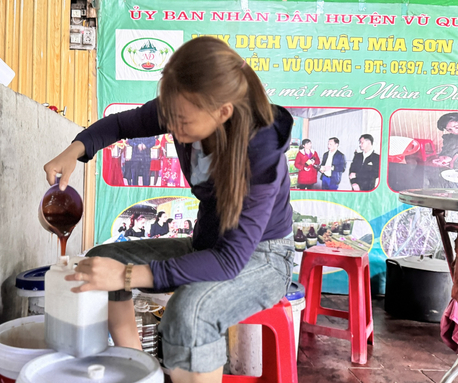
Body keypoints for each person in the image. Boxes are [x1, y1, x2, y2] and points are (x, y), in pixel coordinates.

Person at [43, 36, 294, 383]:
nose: (172, 128)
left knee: (188, 312)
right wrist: (74, 150)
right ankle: (139, 372)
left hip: (262, 259)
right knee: (100, 258)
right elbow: (120, 124)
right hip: (207, 243)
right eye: (170, 117)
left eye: (183, 122)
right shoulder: (185, 108)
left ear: (223, 112)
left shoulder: (261, 155)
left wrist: (127, 275)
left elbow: (229, 260)